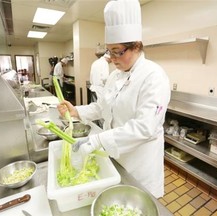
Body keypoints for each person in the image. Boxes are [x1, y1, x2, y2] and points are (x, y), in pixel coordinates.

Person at [57, 0, 171, 199]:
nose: (113, 58)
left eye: (118, 51)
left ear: (136, 46)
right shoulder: (114, 76)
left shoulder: (154, 76)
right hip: (114, 157)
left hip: (140, 164)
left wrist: (99, 139)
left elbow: (145, 127)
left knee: (136, 204)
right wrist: (76, 111)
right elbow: (102, 107)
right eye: (110, 52)